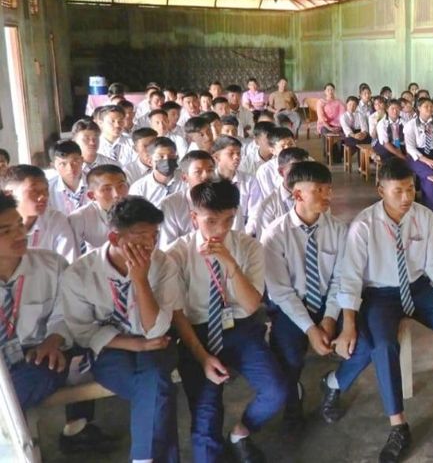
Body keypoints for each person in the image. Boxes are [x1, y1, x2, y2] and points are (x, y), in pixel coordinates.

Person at [323, 158, 433, 463]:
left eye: (410, 189)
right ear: (380, 190)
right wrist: (349, 323)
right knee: (383, 345)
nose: (406, 197)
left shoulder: (423, 217)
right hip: (380, 295)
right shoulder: (364, 225)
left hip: (419, 289)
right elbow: (350, 277)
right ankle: (398, 425)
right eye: (398, 191)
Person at [166, 180, 285, 463]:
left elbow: (251, 304)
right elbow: (178, 313)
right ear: (194, 218)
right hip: (197, 333)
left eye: (229, 220)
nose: (220, 229)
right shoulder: (176, 254)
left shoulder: (249, 247)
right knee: (206, 416)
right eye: (211, 221)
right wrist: (202, 356)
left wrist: (231, 265)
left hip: (240, 328)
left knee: (276, 391)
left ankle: (242, 430)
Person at [62, 196, 182, 463]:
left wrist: (140, 280)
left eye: (154, 235)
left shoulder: (163, 264)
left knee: (155, 384)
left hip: (156, 344)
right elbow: (83, 332)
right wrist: (134, 345)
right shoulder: (80, 273)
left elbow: (155, 330)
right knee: (158, 391)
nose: (150, 244)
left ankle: (142, 458)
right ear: (115, 239)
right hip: (111, 349)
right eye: (140, 236)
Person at [0, 191, 118, 454]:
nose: (19, 235)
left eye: (19, 225)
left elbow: (68, 311)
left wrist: (54, 339)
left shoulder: (50, 264)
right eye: (5, 231)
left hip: (38, 356)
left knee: (45, 370)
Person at [261, 161, 346, 430]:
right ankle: (293, 399)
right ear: (297, 194)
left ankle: (335, 383)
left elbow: (340, 279)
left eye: (329, 189)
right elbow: (280, 291)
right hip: (291, 306)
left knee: (362, 339)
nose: (327, 196)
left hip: (326, 303)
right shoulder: (275, 235)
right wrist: (310, 329)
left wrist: (330, 318)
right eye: (319, 190)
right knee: (287, 354)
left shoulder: (338, 230)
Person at [2, 165, 79, 263]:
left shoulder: (55, 220)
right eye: (34, 191)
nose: (43, 197)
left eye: (46, 190)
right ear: (9, 193)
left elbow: (69, 264)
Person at [246, 147, 311, 238]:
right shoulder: (268, 206)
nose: (302, 173)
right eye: (295, 168)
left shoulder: (316, 197)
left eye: (305, 168)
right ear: (281, 172)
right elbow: (266, 243)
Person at [157, 151, 216, 249]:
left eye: (210, 170)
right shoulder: (170, 204)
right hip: (184, 260)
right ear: (184, 177)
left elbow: (235, 237)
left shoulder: (226, 200)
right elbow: (167, 247)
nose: (206, 176)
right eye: (198, 172)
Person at [69, 165, 130, 255]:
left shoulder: (140, 209)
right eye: (107, 189)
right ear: (91, 195)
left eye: (121, 186)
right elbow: (72, 255)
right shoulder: (80, 218)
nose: (116, 194)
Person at [404, 98, 433, 217]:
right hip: (417, 157)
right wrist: (427, 160)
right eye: (426, 106)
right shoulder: (411, 125)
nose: (429, 109)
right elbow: (410, 148)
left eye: (430, 106)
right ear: (419, 108)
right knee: (431, 173)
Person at [213, 136, 262, 233]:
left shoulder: (250, 181)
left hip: (243, 234)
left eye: (238, 154)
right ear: (217, 157)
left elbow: (255, 214)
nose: (237, 157)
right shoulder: (209, 181)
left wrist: (243, 237)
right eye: (231, 153)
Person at [129, 137, 184, 202]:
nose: (166, 159)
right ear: (150, 161)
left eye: (171, 155)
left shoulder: (187, 179)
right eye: (161, 156)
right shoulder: (139, 189)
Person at [48, 140, 88, 215]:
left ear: (82, 160)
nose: (70, 168)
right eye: (63, 164)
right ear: (53, 166)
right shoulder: (48, 190)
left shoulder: (97, 183)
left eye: (75, 161)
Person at [255, 127, 296, 196]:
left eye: (291, 144)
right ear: (272, 151)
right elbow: (268, 198)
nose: (288, 149)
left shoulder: (308, 161)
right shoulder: (265, 171)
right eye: (283, 146)